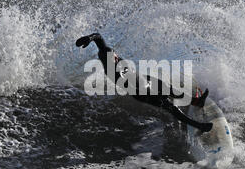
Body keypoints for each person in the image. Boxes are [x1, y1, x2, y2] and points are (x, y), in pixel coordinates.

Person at [76, 33, 213, 132]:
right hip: (141, 91)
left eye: (115, 56)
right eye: (113, 59)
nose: (116, 58)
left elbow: (99, 37)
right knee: (169, 106)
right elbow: (129, 83)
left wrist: (89, 38)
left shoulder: (107, 51)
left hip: (144, 78)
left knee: (170, 89)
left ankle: (196, 101)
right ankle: (198, 126)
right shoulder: (113, 72)